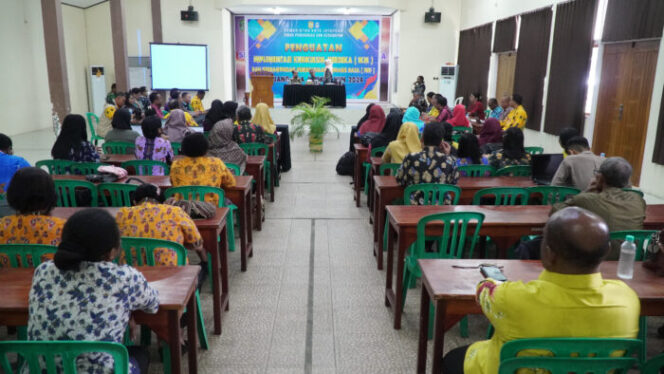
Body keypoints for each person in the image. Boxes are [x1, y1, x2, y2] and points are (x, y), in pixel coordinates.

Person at [445, 206, 640, 374]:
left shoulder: (514, 298)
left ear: (548, 253)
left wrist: (493, 282)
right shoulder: (628, 300)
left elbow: (484, 291)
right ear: (606, 252)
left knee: (451, 358)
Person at [28, 208, 158, 374]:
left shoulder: (42, 271)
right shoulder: (125, 278)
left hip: (42, 370)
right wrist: (128, 310)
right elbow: (152, 305)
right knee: (140, 353)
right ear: (112, 251)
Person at [551, 157, 645, 257]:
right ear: (627, 181)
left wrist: (586, 191)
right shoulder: (638, 200)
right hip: (631, 260)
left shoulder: (587, 199)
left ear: (600, 177)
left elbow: (555, 211)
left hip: (597, 260)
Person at [116, 184, 205, 266]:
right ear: (163, 201)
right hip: (172, 272)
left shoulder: (122, 214)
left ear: (135, 202)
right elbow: (196, 243)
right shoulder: (175, 212)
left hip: (131, 275)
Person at [0, 167, 65, 262]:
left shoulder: (2, 225)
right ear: (50, 195)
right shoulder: (62, 228)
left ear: (12, 194)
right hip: (48, 276)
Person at [396, 122, 459, 205]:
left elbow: (400, 180)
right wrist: (447, 156)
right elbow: (453, 182)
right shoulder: (450, 160)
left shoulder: (411, 157)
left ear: (422, 139)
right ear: (441, 142)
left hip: (414, 207)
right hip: (442, 210)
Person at [170, 133, 236, 206]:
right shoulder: (216, 163)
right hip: (210, 209)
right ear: (206, 148)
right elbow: (231, 183)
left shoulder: (176, 165)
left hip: (183, 210)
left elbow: (173, 184)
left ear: (184, 148)